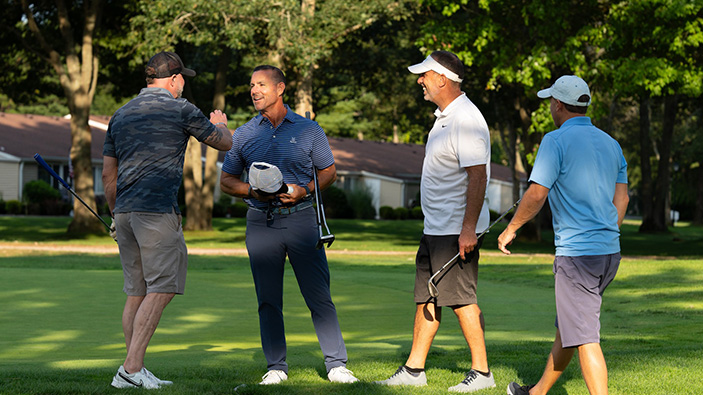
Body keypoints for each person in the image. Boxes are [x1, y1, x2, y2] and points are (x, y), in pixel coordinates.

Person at [219, 65, 358, 386]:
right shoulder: (243, 134)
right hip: (260, 222)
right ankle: (276, 367)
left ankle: (336, 365)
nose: (254, 91)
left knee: (318, 295)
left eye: (262, 85)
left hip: (302, 219)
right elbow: (227, 181)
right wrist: (251, 191)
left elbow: (329, 172)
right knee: (268, 298)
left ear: (280, 89)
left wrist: (304, 190)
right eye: (252, 85)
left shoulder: (310, 130)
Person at [102, 51, 233, 389]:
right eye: (182, 78)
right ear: (173, 79)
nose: (183, 84)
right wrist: (220, 124)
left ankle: (135, 368)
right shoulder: (180, 108)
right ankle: (130, 369)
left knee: (137, 292)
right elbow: (224, 143)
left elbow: (108, 174)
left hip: (127, 213)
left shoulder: (120, 114)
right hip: (157, 213)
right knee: (162, 288)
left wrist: (117, 213)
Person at [497, 75, 629, 395]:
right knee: (570, 327)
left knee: (584, 337)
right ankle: (537, 393)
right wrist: (607, 232)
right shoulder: (611, 143)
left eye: (550, 103)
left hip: (578, 256)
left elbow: (537, 193)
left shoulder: (554, 141)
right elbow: (622, 198)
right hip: (609, 252)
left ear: (557, 104)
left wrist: (511, 228)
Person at [375, 51, 495, 393]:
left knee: (460, 299)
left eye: (424, 75)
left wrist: (468, 228)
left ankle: (482, 373)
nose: (420, 80)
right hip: (436, 228)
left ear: (442, 78)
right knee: (426, 297)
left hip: (456, 229)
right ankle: (414, 369)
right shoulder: (444, 117)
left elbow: (478, 176)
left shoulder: (467, 119)